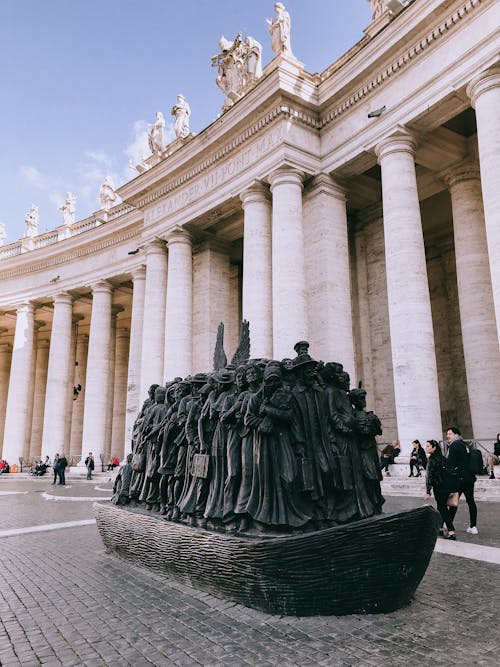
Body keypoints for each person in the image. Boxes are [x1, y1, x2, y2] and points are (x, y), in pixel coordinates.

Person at [446, 426, 478, 534]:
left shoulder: (454, 445)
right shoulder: (465, 445)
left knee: (453, 502)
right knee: (471, 501)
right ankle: (473, 526)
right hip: (469, 478)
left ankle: (448, 523)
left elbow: (450, 463)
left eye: (449, 434)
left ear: (456, 435)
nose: (447, 436)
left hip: (458, 479)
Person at [425, 440, 458, 540]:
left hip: (439, 487)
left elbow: (429, 476)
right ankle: (439, 527)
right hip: (447, 486)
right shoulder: (443, 458)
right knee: (441, 507)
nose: (426, 448)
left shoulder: (432, 460)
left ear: (434, 447)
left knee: (442, 508)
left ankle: (451, 531)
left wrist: (428, 490)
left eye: (428, 446)